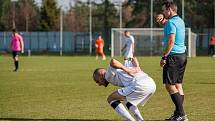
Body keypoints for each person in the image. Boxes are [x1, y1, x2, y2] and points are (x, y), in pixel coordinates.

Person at [158, 1, 188, 121]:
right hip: (182, 56)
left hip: (173, 57)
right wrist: (162, 21)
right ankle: (178, 114)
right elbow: (169, 25)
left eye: (164, 10)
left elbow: (171, 40)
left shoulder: (171, 22)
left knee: (169, 85)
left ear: (169, 9)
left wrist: (164, 56)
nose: (163, 13)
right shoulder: (180, 20)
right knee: (178, 85)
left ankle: (181, 114)